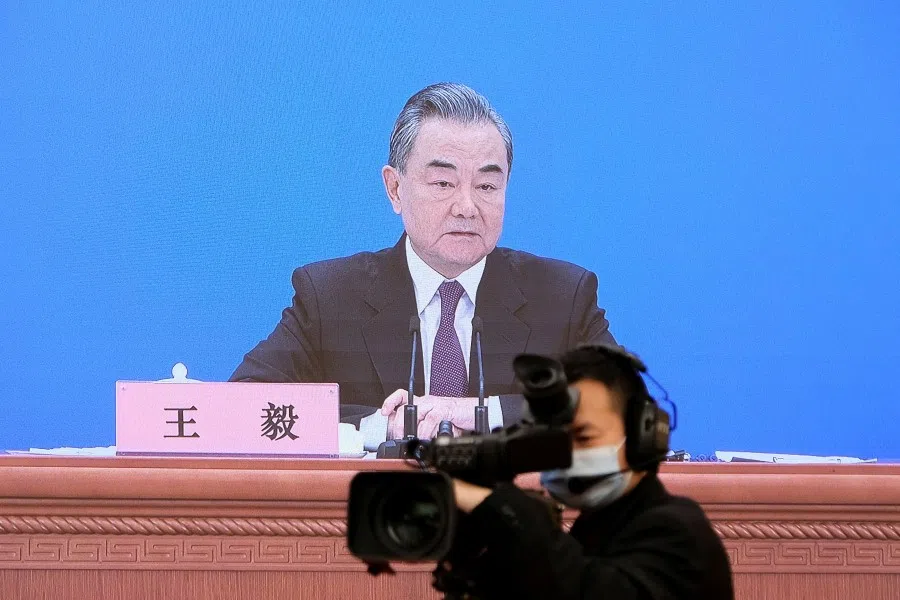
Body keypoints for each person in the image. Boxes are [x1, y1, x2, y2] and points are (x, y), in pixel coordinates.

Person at [230, 83, 616, 450]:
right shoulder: (330, 296)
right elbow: (244, 405)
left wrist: (484, 413)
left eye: (486, 187)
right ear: (395, 189)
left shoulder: (562, 295)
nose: (467, 207)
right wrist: (380, 426)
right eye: (443, 183)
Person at [450, 345, 734, 599]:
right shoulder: (590, 532)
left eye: (584, 438)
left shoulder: (679, 533)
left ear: (641, 436)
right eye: (552, 441)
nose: (563, 455)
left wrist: (506, 511)